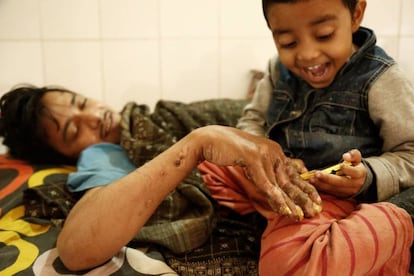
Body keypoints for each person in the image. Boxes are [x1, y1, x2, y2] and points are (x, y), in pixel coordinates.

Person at [0, 85, 322, 273]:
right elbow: (76, 249)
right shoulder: (101, 155)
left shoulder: (161, 116)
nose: (96, 118)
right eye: (73, 131)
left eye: (83, 103)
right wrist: (195, 145)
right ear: (63, 157)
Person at [199, 0, 414, 274]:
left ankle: (384, 224)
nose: (308, 55)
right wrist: (269, 161)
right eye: (288, 43)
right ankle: (275, 214)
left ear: (356, 15)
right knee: (208, 154)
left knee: (291, 266)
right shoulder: (278, 70)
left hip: (332, 200)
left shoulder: (382, 79)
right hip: (276, 181)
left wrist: (367, 175)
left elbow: (410, 153)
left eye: (324, 35)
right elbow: (251, 122)